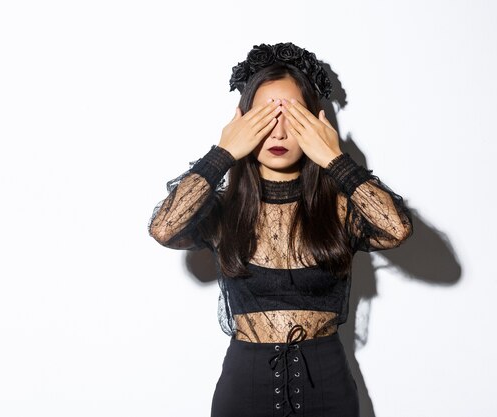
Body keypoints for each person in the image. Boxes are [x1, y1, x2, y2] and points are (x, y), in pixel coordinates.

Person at [148, 42, 413, 417]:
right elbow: (164, 228)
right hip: (244, 392)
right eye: (265, 117)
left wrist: (334, 159)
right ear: (244, 122)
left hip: (329, 392)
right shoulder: (224, 210)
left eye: (292, 116)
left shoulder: (339, 207)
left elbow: (397, 229)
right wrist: (222, 153)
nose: (279, 132)